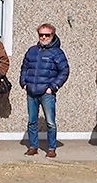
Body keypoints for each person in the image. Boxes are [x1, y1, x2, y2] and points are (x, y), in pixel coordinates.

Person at [20, 23, 69, 158]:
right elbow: (24, 67)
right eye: (41, 34)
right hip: (31, 92)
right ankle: (33, 147)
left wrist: (53, 87)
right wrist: (23, 83)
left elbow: (64, 71)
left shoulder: (57, 53)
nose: (44, 37)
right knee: (32, 121)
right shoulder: (32, 51)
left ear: (52, 35)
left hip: (47, 93)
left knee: (50, 123)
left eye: (47, 35)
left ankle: (51, 149)